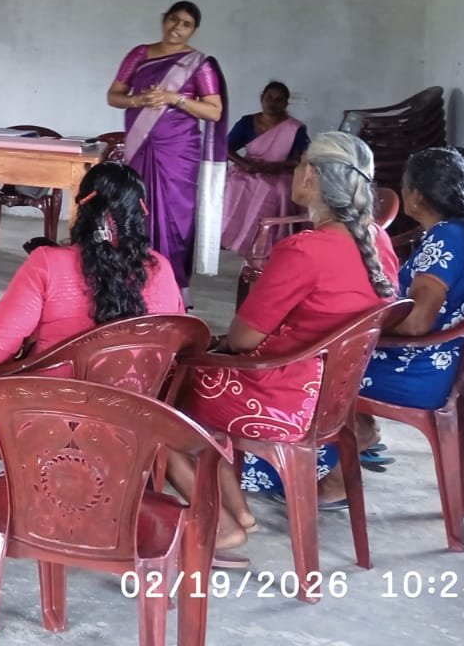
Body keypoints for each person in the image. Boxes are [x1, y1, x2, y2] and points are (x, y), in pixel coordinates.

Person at [0, 162, 185, 563]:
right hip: (129, 429)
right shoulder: (161, 270)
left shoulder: (50, 263)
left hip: (44, 425)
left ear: (82, 209)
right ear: (140, 213)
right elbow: (172, 347)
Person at [165, 131, 398, 562]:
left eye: (300, 163)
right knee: (189, 384)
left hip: (280, 397)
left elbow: (242, 340)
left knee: (158, 409)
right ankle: (239, 512)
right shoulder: (378, 242)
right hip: (330, 397)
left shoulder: (305, 251)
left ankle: (225, 527)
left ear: (310, 175)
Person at [297, 147, 464, 503]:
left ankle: (332, 474)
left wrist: (362, 329)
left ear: (417, 196)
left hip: (414, 371)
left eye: (405, 185)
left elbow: (415, 325)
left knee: (312, 364)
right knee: (328, 349)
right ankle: (360, 432)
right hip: (436, 365)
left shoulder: (447, 238)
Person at [106, 0, 227, 295]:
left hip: (179, 152)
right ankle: (130, 280)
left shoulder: (200, 64)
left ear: (194, 30)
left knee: (176, 213)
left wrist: (175, 99)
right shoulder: (140, 54)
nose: (177, 27)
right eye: (173, 19)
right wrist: (137, 100)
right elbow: (114, 95)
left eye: (186, 24)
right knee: (135, 206)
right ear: (164, 20)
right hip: (140, 144)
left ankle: (171, 287)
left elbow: (214, 111)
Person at [219, 81, 309, 257]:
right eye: (269, 98)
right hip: (249, 169)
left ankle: (271, 241)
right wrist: (244, 164)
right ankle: (235, 237)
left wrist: (277, 166)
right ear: (262, 98)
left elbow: (300, 158)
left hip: (280, 171)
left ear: (286, 103)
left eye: (278, 100)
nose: (272, 103)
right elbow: (225, 147)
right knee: (237, 184)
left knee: (281, 190)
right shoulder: (247, 122)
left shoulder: (294, 128)